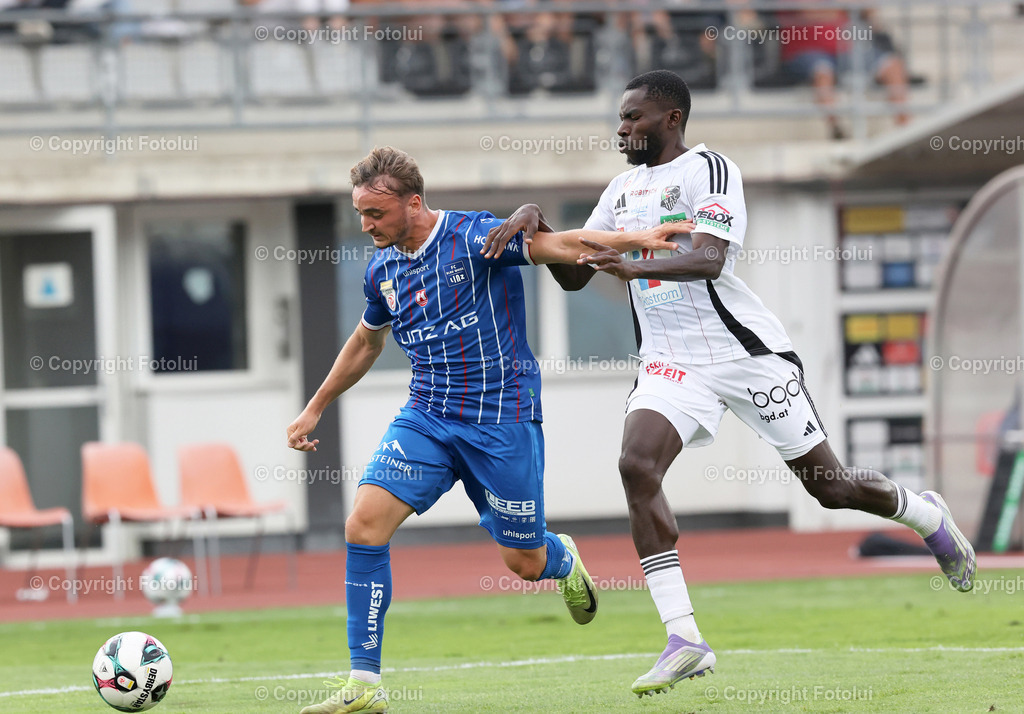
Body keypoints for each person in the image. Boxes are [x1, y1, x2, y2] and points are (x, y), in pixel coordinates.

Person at [484, 69, 976, 699]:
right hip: (669, 362)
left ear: (672, 118)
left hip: (745, 354)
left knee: (831, 488)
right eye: (620, 117)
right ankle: (684, 639)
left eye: (634, 117)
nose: (622, 127)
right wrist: (537, 225)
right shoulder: (622, 189)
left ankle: (924, 513)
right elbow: (578, 272)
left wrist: (630, 263)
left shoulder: (710, 171)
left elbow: (710, 258)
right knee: (637, 465)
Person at [286, 145, 688, 714]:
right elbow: (365, 341)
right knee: (364, 526)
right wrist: (315, 406)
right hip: (426, 417)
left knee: (522, 562)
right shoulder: (382, 269)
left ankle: (561, 559)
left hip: (502, 418)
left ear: (413, 203)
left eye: (375, 213)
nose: (365, 224)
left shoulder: (475, 237)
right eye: (360, 213)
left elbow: (561, 245)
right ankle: (363, 685)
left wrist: (637, 237)